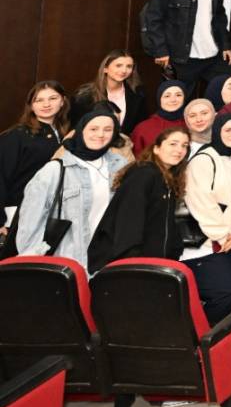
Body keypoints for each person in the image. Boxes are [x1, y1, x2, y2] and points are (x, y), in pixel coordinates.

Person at [14, 109, 125, 270]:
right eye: (93, 129)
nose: (100, 134)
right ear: (81, 130)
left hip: (105, 263)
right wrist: (33, 261)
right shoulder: (55, 170)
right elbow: (30, 223)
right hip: (66, 262)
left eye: (108, 129)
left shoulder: (120, 166)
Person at [182, 113, 231, 323]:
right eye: (228, 129)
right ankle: (202, 334)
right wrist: (223, 235)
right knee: (225, 293)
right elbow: (201, 202)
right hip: (207, 240)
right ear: (217, 131)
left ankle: (224, 332)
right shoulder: (203, 160)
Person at [88, 128, 190, 270]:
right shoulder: (144, 174)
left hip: (154, 264)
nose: (179, 150)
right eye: (173, 144)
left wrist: (173, 252)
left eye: (184, 145)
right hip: (131, 266)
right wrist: (134, 264)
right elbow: (128, 223)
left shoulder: (167, 180)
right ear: (156, 149)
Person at [1, 82, 69, 249]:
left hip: (52, 212)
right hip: (17, 214)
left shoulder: (65, 133)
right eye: (39, 100)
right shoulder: (17, 135)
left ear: (62, 101)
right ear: (31, 105)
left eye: (53, 98)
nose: (46, 104)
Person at [72, 50, 144, 136]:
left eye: (129, 66)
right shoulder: (85, 94)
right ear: (105, 68)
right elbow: (76, 127)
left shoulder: (137, 93)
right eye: (118, 65)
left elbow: (140, 126)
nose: (124, 70)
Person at [130, 80, 189, 154]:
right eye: (167, 96)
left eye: (178, 95)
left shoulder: (192, 124)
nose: (173, 100)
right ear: (159, 99)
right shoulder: (142, 128)